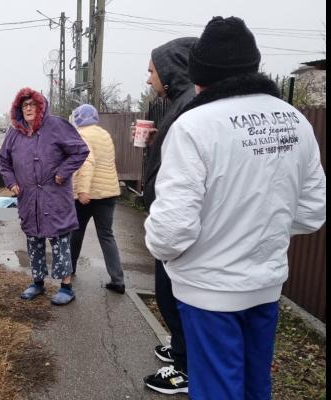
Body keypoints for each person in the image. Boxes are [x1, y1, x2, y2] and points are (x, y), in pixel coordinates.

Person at [145, 16, 326, 399]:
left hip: (207, 289)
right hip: (266, 282)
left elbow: (170, 231)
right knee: (254, 384)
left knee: (216, 389)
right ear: (253, 65)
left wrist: (176, 253)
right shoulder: (296, 121)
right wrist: (259, 230)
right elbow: (311, 212)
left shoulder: (193, 125)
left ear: (200, 74)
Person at [139, 37, 198, 395]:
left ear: (172, 70)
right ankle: (179, 349)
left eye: (152, 71)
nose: (149, 79)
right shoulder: (180, 103)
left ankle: (185, 368)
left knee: (173, 296)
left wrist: (162, 237)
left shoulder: (190, 105)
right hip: (171, 223)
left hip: (176, 230)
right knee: (169, 296)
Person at [0, 87, 89, 305]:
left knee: (60, 241)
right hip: (28, 198)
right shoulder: (14, 132)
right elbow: (3, 160)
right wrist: (11, 182)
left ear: (41, 107)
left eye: (32, 105)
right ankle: (37, 282)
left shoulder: (57, 125)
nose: (28, 108)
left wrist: (62, 173)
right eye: (24, 105)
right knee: (34, 239)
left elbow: (80, 150)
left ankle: (66, 286)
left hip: (55, 196)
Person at [68, 104, 124, 293]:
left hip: (88, 194)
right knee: (106, 235)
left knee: (76, 231)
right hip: (108, 193)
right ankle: (118, 280)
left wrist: (83, 191)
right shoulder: (104, 134)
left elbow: (86, 163)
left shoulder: (81, 135)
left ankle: (70, 268)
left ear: (79, 118)